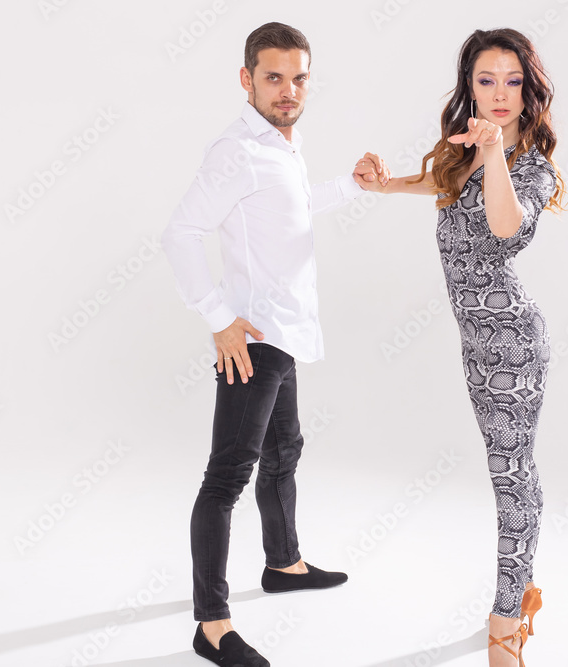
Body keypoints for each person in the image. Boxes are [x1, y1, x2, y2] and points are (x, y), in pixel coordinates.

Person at [161, 22, 391, 667]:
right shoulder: (235, 151)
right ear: (247, 80)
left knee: (285, 450)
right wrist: (218, 317)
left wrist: (353, 186)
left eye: (299, 78)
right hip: (253, 339)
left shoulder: (281, 145)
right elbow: (180, 233)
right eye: (273, 77)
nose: (289, 90)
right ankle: (212, 627)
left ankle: (283, 564)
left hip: (284, 333)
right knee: (227, 476)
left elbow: (289, 209)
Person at [370, 28, 567, 667]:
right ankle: (522, 588)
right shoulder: (464, 153)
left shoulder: (529, 165)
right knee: (507, 472)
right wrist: (383, 185)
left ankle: (506, 622)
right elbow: (442, 185)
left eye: (513, 81)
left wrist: (495, 152)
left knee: (512, 477)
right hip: (476, 347)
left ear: (528, 90)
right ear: (470, 87)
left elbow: (507, 229)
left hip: (513, 345)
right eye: (487, 80)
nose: (500, 93)